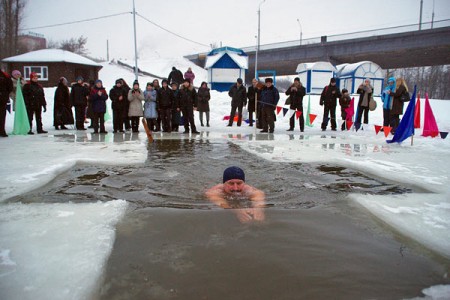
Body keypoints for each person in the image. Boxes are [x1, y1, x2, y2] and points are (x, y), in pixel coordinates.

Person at [0, 70, 13, 137]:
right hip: (3, 97)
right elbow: (10, 87)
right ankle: (2, 131)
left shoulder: (5, 76)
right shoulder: (5, 75)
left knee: (2, 115)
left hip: (2, 98)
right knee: (2, 115)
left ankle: (2, 130)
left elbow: (10, 87)